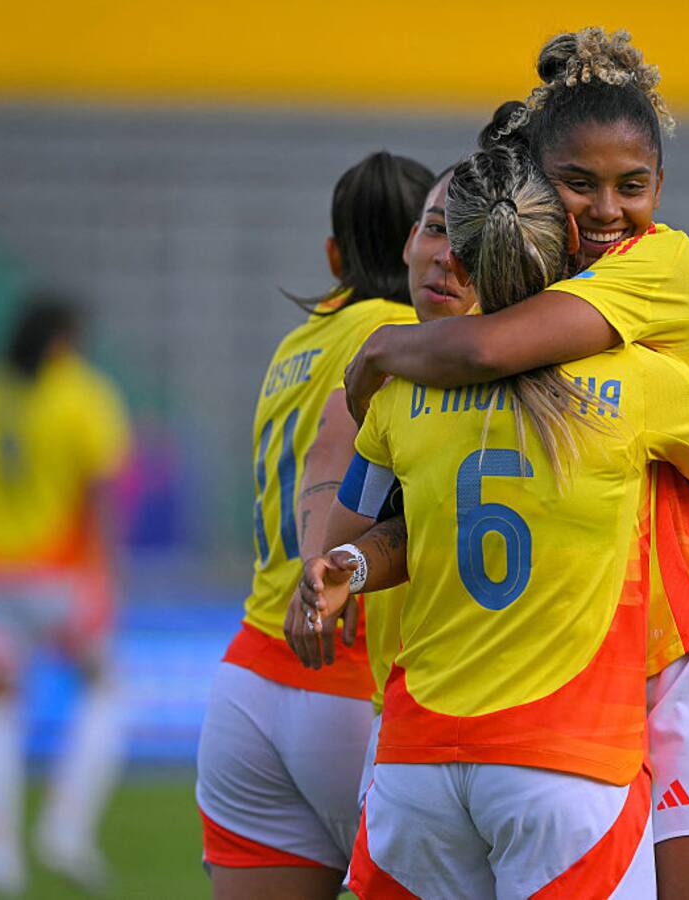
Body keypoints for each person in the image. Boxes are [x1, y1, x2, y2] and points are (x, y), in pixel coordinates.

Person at [343, 28, 689, 899]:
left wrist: (381, 351)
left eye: (633, 186)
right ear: (540, 185)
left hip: (687, 635)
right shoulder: (535, 278)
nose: (610, 210)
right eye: (580, 185)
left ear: (660, 187)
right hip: (567, 656)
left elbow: (486, 348)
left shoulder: (661, 264)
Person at [194, 151, 433, 900]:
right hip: (351, 673)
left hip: (250, 681)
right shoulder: (407, 336)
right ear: (425, 245)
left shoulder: (295, 346)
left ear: (334, 256)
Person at [284, 164, 478, 802]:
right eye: (435, 229)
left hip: (492, 719)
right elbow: (339, 479)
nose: (446, 258)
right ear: (407, 240)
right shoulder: (389, 371)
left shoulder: (358, 350)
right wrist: (326, 572)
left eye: (470, 242)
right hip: (403, 712)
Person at [0, 293, 131, 896]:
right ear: (62, 341)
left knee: (1, 706)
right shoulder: (81, 394)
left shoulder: (0, 392)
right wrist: (107, 579)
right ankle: (66, 828)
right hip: (60, 576)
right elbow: (101, 494)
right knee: (109, 690)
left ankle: (2, 857)